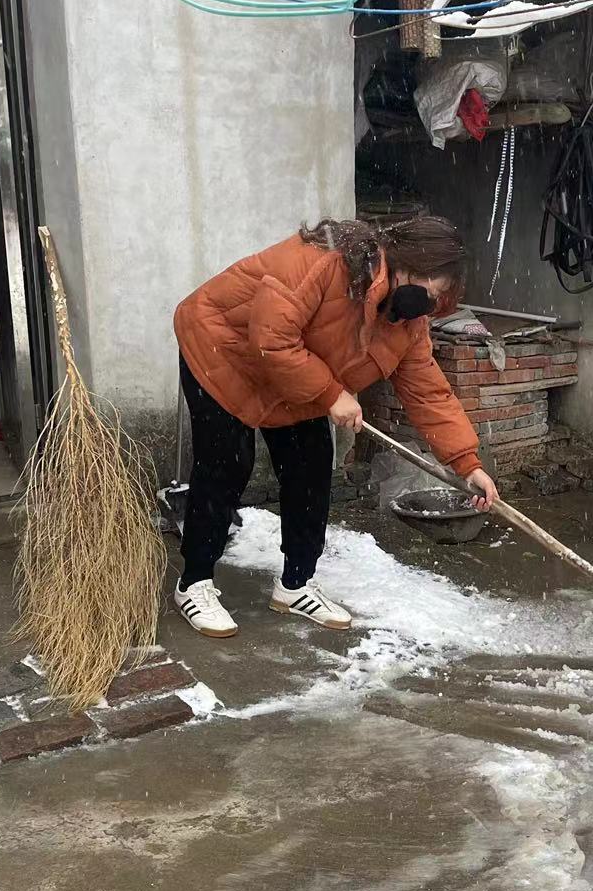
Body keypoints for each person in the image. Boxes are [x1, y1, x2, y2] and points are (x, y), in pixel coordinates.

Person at [170, 215, 498, 638]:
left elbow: (428, 392)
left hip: (295, 372)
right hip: (224, 349)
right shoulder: (323, 262)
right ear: (405, 262)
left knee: (310, 466)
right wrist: (330, 394)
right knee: (227, 464)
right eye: (429, 290)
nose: (427, 305)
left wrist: (467, 464)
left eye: (437, 299)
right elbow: (272, 339)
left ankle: (295, 585)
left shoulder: (407, 322)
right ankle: (194, 582)